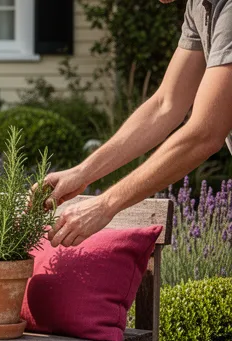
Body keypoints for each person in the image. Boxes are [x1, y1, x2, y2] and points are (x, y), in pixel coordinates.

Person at [45, 0, 232, 247]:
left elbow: (204, 133)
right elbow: (165, 105)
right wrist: (82, 173)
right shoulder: (199, 5)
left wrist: (105, 205)